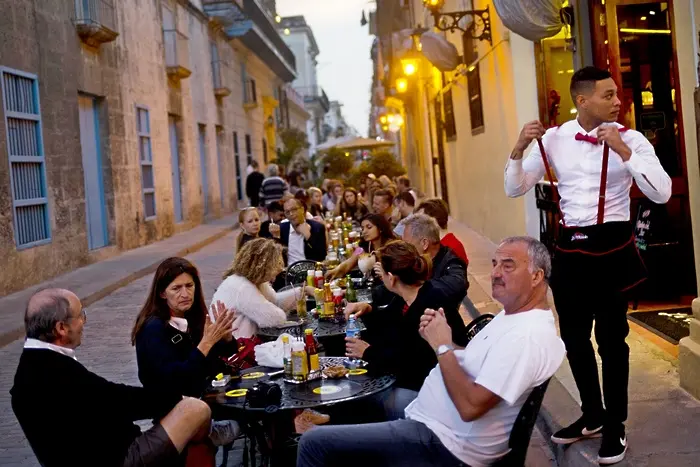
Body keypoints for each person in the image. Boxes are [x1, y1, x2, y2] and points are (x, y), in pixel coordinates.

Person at [504, 67, 671, 465]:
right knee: (575, 341)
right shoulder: (555, 139)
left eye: (616, 94)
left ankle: (615, 424)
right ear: (583, 101)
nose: (618, 101)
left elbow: (661, 192)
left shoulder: (632, 139)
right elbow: (514, 188)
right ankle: (592, 414)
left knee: (612, 343)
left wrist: (624, 151)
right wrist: (518, 148)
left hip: (612, 249)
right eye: (608, 95)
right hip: (571, 252)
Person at [297, 237, 566, 467]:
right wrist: (445, 341)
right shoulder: (512, 318)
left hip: (444, 443)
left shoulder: (528, 336)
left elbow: (470, 407)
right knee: (361, 399)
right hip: (430, 416)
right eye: (494, 264)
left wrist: (442, 346)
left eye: (508, 266)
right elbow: (472, 360)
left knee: (313, 444)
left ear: (536, 276)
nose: (495, 273)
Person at [12, 288, 214, 467]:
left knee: (173, 414)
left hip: (101, 454)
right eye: (80, 315)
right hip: (120, 459)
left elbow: (106, 399)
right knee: (195, 409)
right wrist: (177, 399)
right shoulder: (53, 370)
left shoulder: (33, 365)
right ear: (61, 328)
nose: (84, 322)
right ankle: (215, 434)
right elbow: (121, 400)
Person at [345, 240, 466, 420]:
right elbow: (390, 319)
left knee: (357, 395)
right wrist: (369, 309)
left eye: (382, 274)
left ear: (391, 278)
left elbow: (409, 362)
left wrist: (368, 352)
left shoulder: (427, 308)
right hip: (417, 380)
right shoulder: (411, 296)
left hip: (431, 396)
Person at [132, 258, 240, 446]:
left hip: (208, 397)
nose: (185, 293)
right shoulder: (154, 329)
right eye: (176, 288)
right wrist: (205, 343)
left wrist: (226, 338)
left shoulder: (191, 316)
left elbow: (215, 358)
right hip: (176, 411)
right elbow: (177, 380)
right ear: (162, 293)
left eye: (189, 286)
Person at [211, 238, 313, 339]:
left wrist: (303, 290)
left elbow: (275, 301)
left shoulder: (253, 281)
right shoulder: (242, 287)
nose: (280, 268)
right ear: (263, 265)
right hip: (236, 347)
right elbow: (275, 318)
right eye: (277, 263)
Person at [402, 214, 468, 308]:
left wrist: (417, 288)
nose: (404, 248)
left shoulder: (450, 261)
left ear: (424, 243)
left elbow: (458, 283)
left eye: (407, 244)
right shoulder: (416, 260)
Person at [326, 213, 397, 280]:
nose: (364, 231)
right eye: (362, 228)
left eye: (369, 227)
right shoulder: (362, 248)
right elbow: (348, 263)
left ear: (380, 228)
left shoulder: (391, 246)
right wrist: (334, 270)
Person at [415, 198, 469, 267]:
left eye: (420, 220)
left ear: (433, 221)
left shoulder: (450, 247)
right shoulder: (439, 244)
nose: (416, 225)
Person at [274, 197, 327, 265]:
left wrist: (308, 236)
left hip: (311, 270)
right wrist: (276, 237)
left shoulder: (317, 227)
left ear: (302, 209)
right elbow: (277, 257)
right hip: (289, 271)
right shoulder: (282, 228)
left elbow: (321, 257)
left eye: (294, 210)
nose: (291, 214)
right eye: (287, 212)